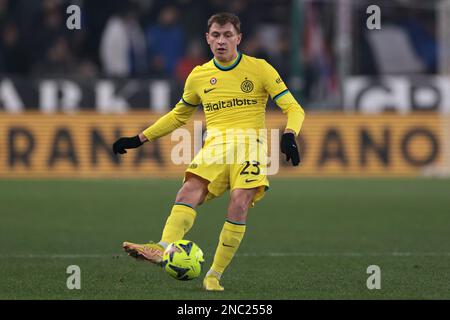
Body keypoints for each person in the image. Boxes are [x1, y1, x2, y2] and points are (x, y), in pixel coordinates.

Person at [112, 12, 305, 291]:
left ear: (239, 38)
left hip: (250, 145)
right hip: (215, 145)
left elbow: (294, 108)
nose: (221, 41)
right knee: (188, 191)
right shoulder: (199, 75)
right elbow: (178, 116)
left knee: (239, 202)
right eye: (215, 35)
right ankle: (162, 248)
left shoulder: (260, 68)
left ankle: (214, 274)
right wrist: (139, 139)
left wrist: (289, 135)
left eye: (227, 35)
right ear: (207, 39)